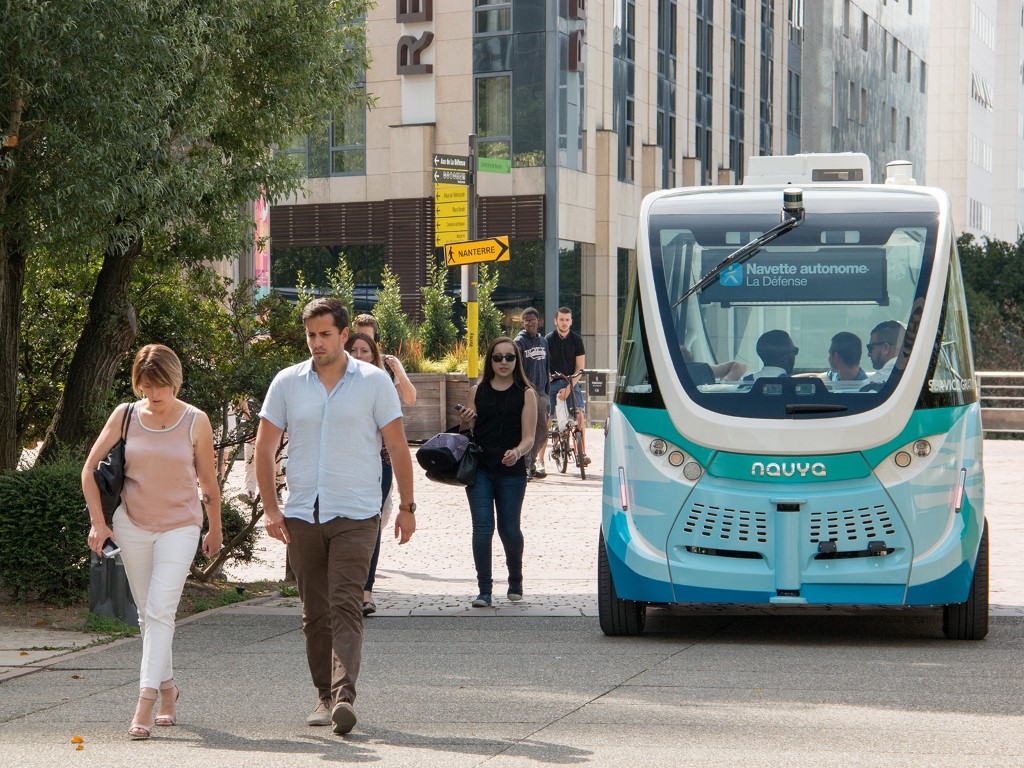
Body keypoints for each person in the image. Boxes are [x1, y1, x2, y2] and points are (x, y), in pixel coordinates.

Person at [255, 298, 417, 736]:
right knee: (314, 611)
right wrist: (271, 508)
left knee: (346, 602)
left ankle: (344, 696)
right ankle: (322, 696)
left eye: (325, 334)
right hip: (304, 512)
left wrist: (406, 506)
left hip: (358, 511)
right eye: (311, 335)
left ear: (345, 335)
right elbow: (264, 448)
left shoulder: (373, 382)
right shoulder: (287, 382)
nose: (317, 342)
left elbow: (399, 447)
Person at [81, 344, 222, 740]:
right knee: (149, 614)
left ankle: (144, 699)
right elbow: (90, 469)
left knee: (160, 609)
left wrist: (215, 527)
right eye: (145, 386)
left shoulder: (196, 420)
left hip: (181, 525)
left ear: (175, 380)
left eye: (160, 385)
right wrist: (98, 523)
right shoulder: (125, 415)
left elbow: (207, 481)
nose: (154, 394)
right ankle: (169, 690)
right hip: (132, 524)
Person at [456, 337, 537, 608]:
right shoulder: (476, 391)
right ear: (489, 360)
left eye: (509, 357)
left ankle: (515, 580)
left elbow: (529, 437)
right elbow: (466, 433)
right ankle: (484, 590)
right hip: (479, 469)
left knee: (510, 529)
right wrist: (465, 422)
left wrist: (517, 452)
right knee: (482, 528)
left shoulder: (526, 393)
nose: (503, 362)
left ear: (517, 361)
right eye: (498, 357)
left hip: (511, 471)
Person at [545, 306, 588, 465]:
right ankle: (540, 458)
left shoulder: (577, 340)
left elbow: (580, 368)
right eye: (561, 319)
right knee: (548, 418)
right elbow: (544, 365)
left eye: (567, 319)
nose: (564, 323)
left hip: (572, 382)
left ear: (571, 321)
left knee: (579, 414)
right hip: (553, 383)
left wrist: (570, 387)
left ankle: (582, 453)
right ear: (555, 321)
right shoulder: (547, 340)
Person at [513, 307, 550, 479]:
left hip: (542, 392)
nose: (529, 323)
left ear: (538, 321)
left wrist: (547, 392)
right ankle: (527, 465)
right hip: (527, 392)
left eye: (532, 320)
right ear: (522, 323)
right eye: (526, 321)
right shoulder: (519, 342)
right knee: (528, 430)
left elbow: (547, 366)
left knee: (542, 430)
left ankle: (530, 462)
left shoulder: (543, 342)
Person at [864, 320, 906, 387]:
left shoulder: (876, 383)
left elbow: (862, 390)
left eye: (870, 348)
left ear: (885, 348)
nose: (868, 354)